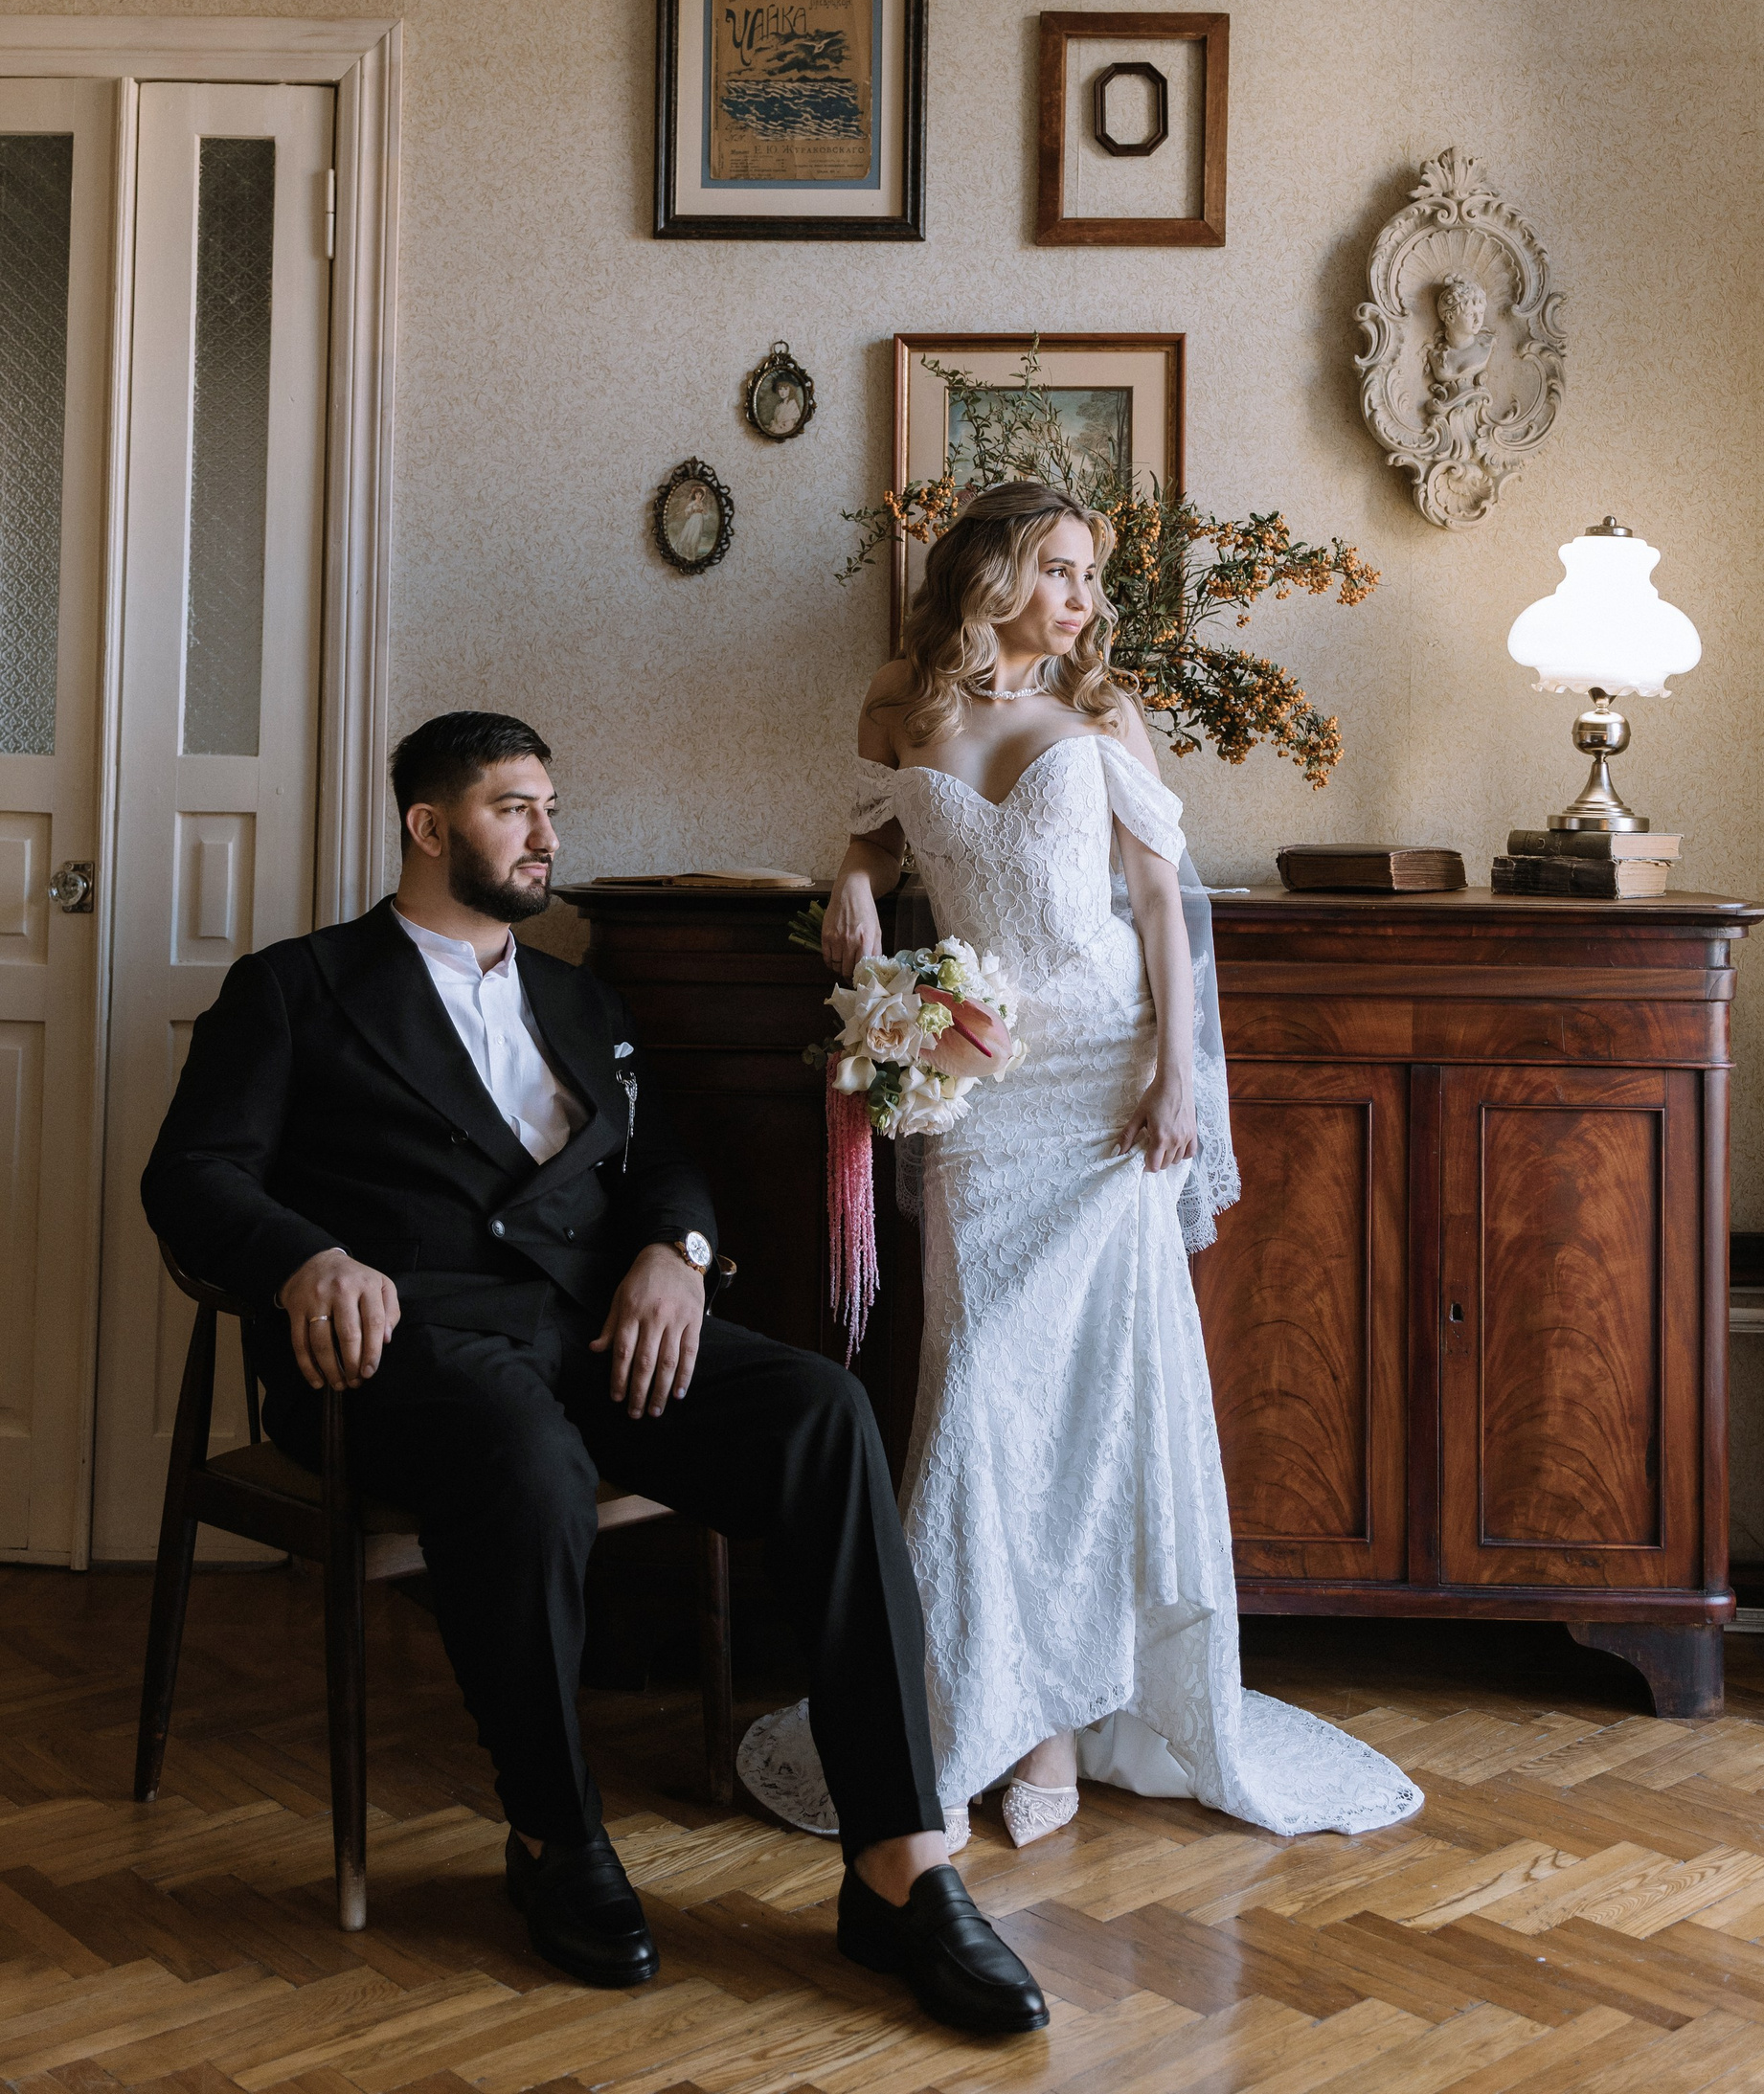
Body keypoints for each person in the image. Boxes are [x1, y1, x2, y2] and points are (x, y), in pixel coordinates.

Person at [140, 710, 1046, 2037]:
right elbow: (192, 1175)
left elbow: (662, 1163)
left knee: (822, 1413)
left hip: (597, 1339)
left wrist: (678, 1253)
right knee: (527, 1458)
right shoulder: (297, 986)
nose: (547, 836)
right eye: (515, 808)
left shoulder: (581, 1000)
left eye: (551, 809)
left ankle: (899, 1863)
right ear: (429, 826)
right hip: (412, 1351)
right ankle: (553, 1836)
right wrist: (305, 1259)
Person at [815, 485, 1424, 1850]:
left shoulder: (1102, 712)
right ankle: (970, 1711)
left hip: (1104, 1078)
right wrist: (853, 880)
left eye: (1092, 576)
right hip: (982, 1083)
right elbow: (872, 828)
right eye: (1063, 571)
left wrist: (1178, 1075)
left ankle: (1053, 1726)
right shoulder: (899, 699)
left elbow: (1160, 903)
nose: (1086, 600)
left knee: (1089, 1405)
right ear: (994, 571)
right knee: (978, 1387)